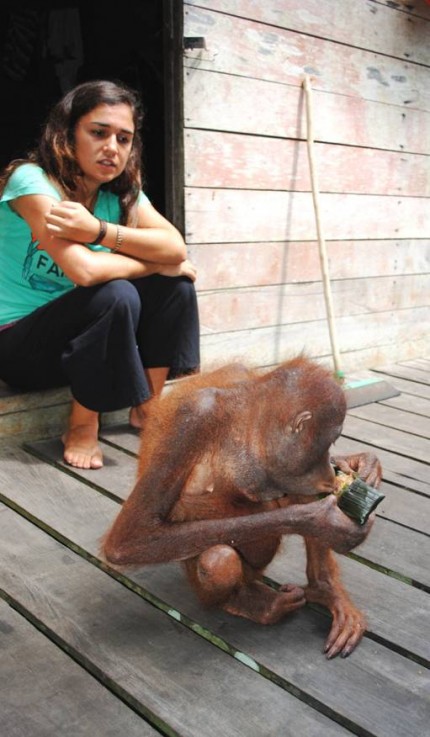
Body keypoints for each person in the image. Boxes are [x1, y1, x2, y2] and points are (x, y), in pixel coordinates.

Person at [0, 79, 200, 470]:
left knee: (175, 286)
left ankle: (149, 409)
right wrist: (153, 262)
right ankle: (81, 425)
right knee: (117, 293)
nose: (112, 147)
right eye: (98, 132)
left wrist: (98, 231)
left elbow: (176, 248)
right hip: (18, 347)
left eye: (124, 139)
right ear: (67, 134)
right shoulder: (32, 182)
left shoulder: (119, 195)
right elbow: (85, 270)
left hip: (81, 345)